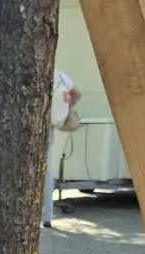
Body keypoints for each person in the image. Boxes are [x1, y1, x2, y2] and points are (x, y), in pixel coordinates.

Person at [43, 69, 81, 228]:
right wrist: (66, 110)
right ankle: (47, 216)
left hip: (36, 124)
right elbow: (77, 94)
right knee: (47, 170)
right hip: (52, 125)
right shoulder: (60, 76)